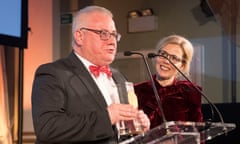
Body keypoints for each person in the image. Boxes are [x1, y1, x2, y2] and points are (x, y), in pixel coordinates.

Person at [31, 5, 150, 144]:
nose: (112, 41)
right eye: (103, 34)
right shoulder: (53, 73)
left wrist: (137, 127)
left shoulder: (118, 76)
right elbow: (47, 128)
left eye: (114, 35)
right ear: (79, 36)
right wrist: (107, 118)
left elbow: (121, 132)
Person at [134, 35, 203, 129]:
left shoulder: (190, 92)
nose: (166, 61)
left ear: (182, 65)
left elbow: (197, 132)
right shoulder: (136, 91)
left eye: (174, 58)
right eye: (163, 54)